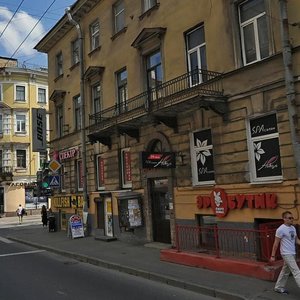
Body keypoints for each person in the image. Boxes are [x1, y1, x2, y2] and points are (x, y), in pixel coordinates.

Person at [270, 211, 300, 294]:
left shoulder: (293, 228)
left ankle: (278, 287)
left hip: (292, 253)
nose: (292, 219)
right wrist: (272, 256)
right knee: (296, 271)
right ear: (284, 219)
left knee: (285, 271)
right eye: (290, 218)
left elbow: (296, 240)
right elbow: (276, 243)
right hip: (286, 253)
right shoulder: (280, 229)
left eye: (292, 217)